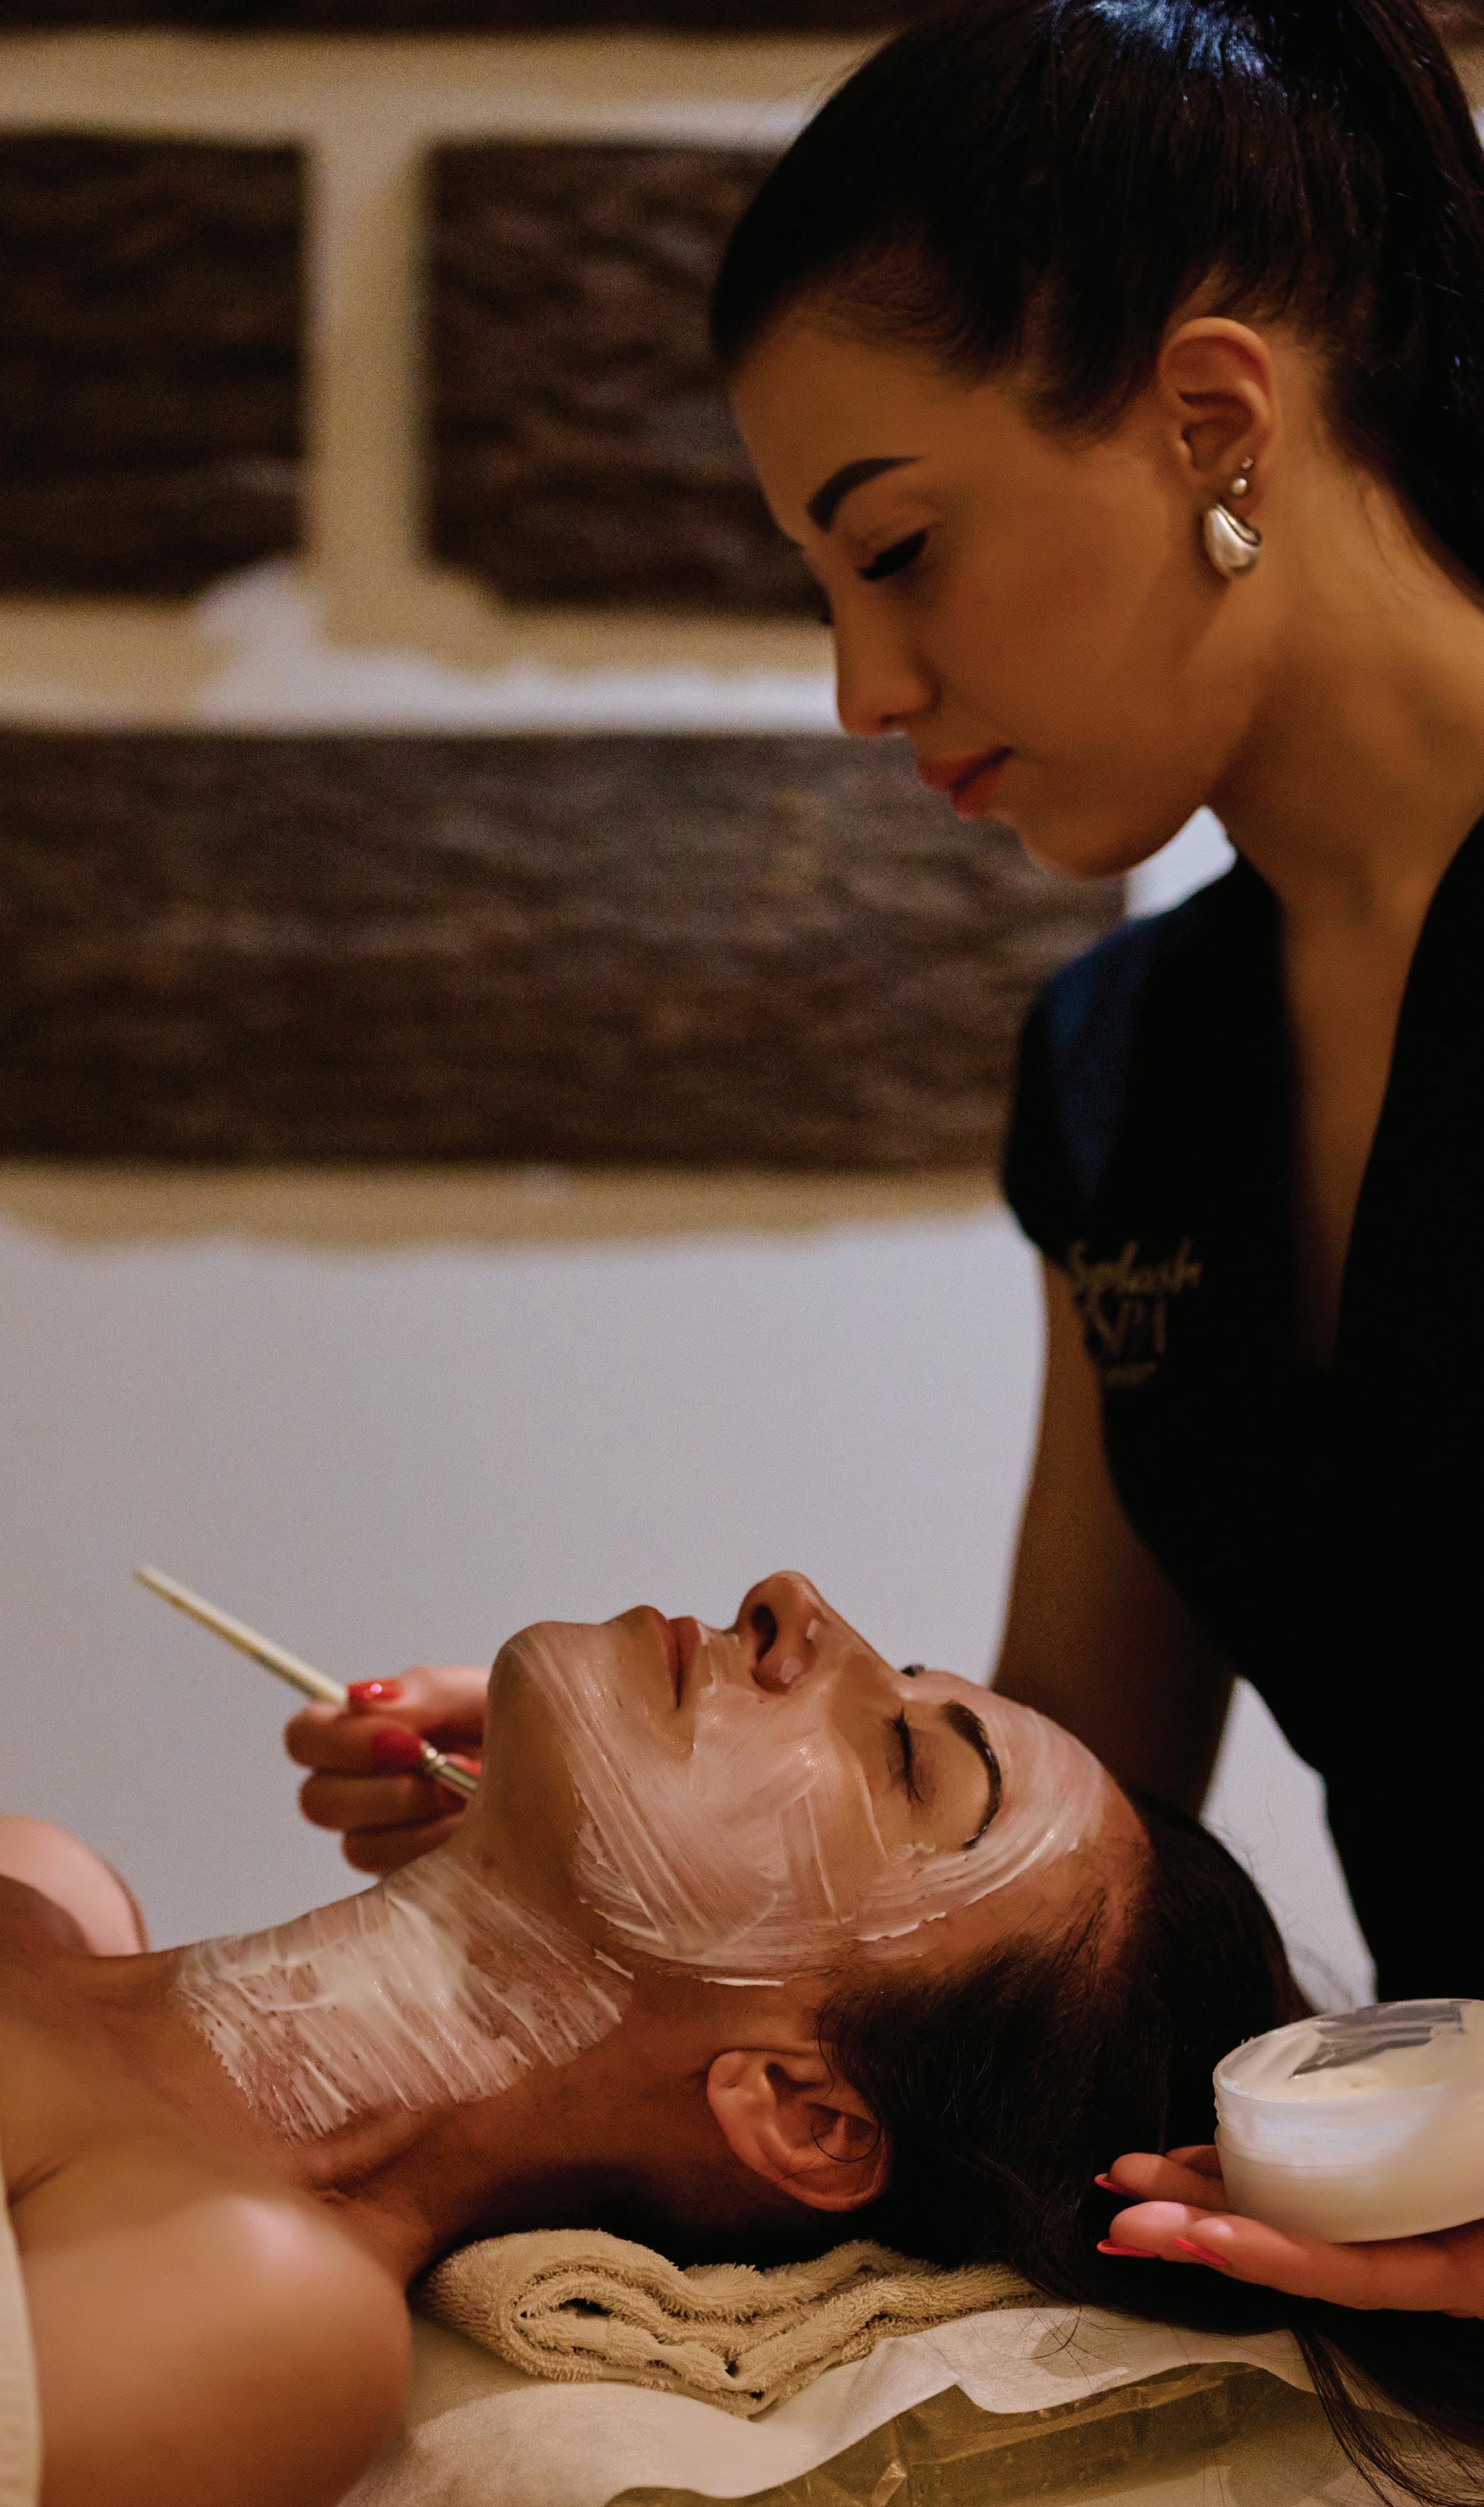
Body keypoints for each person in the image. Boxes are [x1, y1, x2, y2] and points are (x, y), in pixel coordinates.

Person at [291, 0, 1484, 2349]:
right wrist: (676, 1843)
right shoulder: (1122, 1071)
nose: (859, 686)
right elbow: (1071, 1829)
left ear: (1214, 420)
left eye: (901, 548)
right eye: (825, 586)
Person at [0, 1573, 1479, 2507]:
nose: (793, 1601)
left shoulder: (253, 2302)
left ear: (804, 2112)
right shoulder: (30, 1883)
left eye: (904, 1759)